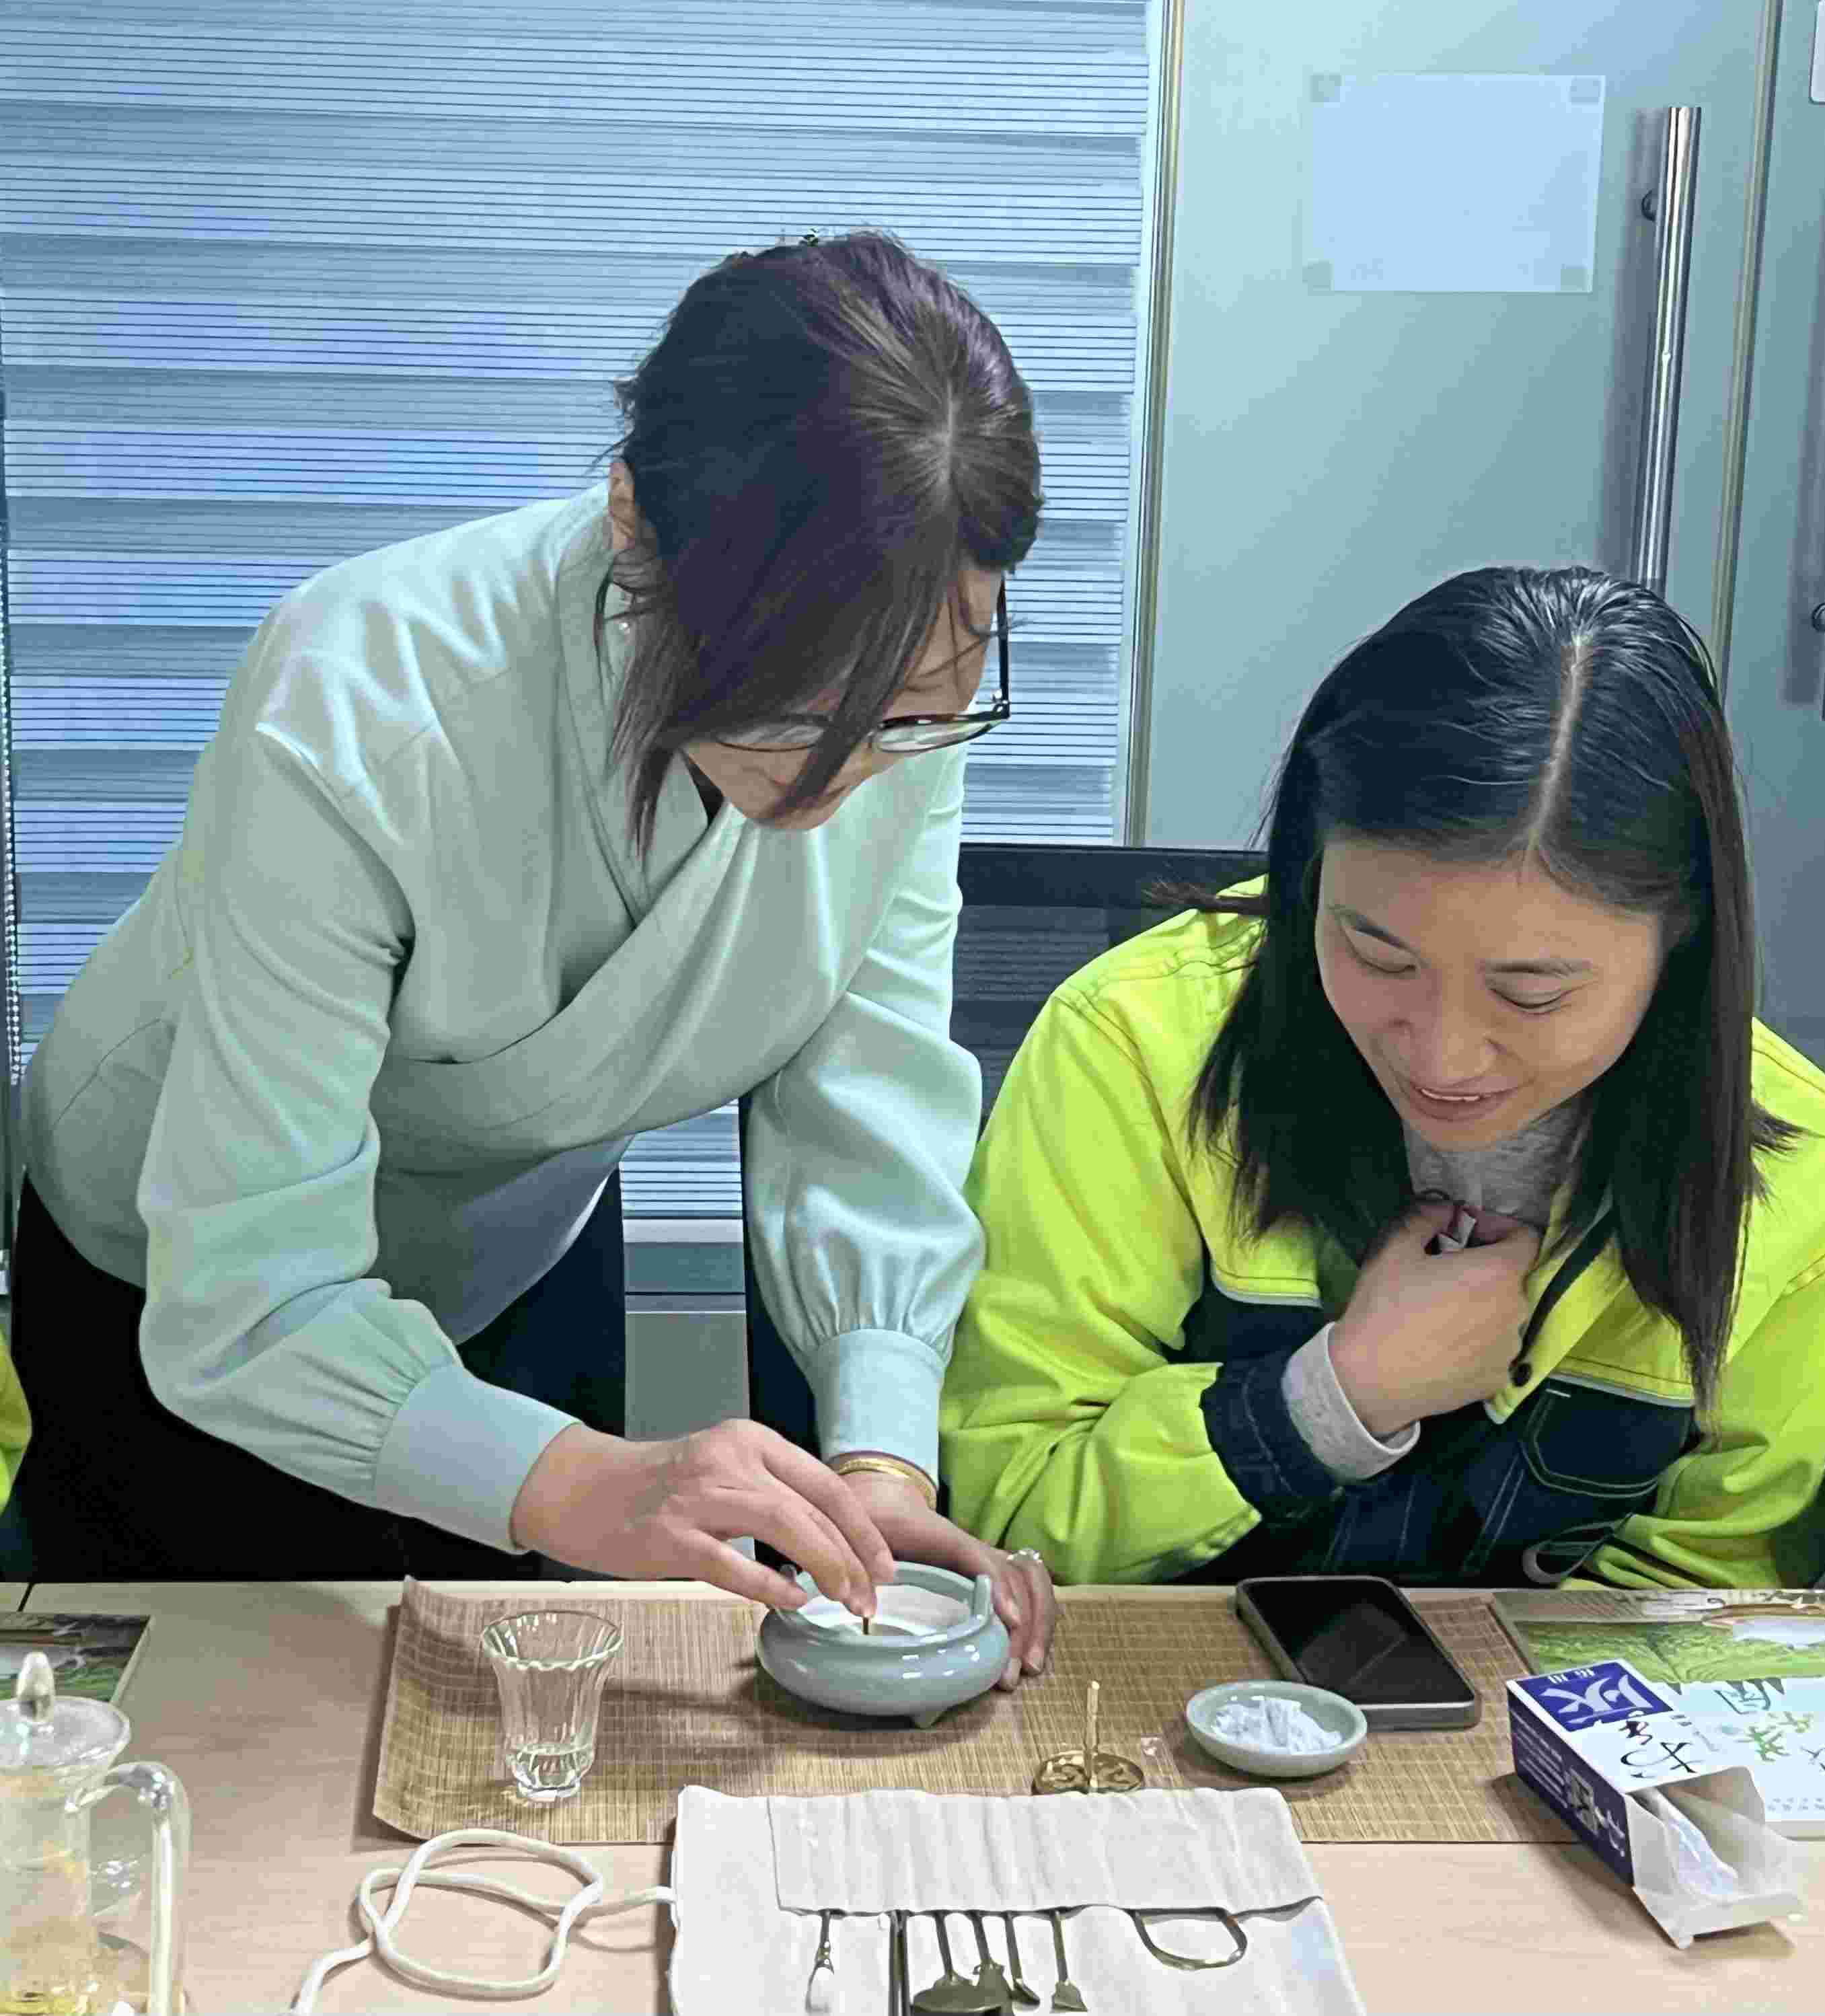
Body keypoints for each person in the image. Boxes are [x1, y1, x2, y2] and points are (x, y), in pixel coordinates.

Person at [9, 231, 1056, 1678]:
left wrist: (878, 1463)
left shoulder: (899, 689)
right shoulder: (362, 700)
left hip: (517, 1241)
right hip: (185, 1271)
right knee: (225, 1735)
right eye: (803, 708)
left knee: (526, 1716)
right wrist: (592, 1483)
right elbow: (251, 1287)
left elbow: (863, 1086)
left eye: (913, 712)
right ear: (634, 523)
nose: (848, 774)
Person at [940, 566, 1825, 1592]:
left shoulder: (1806, 1185)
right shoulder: (1133, 1043)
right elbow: (1014, 1522)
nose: (1443, 1057)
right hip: (1154, 1683)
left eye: (1530, 993)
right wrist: (1332, 1396)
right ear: (1311, 873)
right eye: (1377, 956)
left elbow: (1702, 1605)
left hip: (1531, 1700)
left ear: (1683, 938)